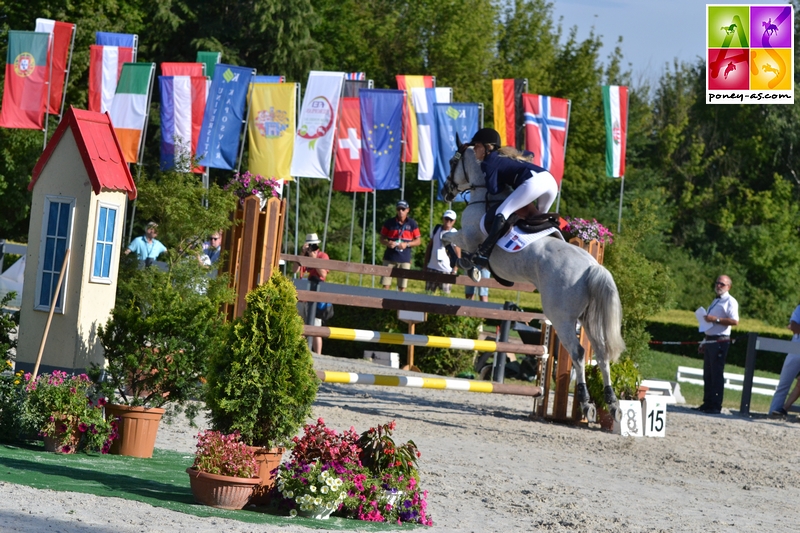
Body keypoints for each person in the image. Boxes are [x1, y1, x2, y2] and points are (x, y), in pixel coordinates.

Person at [460, 128, 559, 269]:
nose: (474, 149)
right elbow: (527, 156)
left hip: (533, 182)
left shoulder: (488, 162)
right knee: (539, 220)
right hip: (550, 181)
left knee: (501, 213)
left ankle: (483, 253)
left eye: (477, 146)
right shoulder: (504, 156)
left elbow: (494, 190)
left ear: (488, 148)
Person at [694, 275, 739, 414]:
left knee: (716, 372)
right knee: (707, 373)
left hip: (720, 340)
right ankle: (707, 402)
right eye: (717, 283)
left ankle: (715, 405)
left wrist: (716, 319)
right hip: (710, 338)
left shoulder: (730, 301)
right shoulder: (715, 300)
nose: (719, 286)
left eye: (722, 284)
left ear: (728, 287)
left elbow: (734, 321)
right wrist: (704, 341)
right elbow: (709, 324)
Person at [292, 233, 330, 355]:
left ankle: (318, 354)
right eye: (310, 246)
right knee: (300, 326)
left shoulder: (323, 256)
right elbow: (294, 270)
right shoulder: (305, 256)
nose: (311, 249)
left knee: (316, 327)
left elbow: (323, 274)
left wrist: (314, 260)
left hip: (316, 295)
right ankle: (301, 352)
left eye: (313, 246)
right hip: (303, 294)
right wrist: (302, 255)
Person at [379, 200, 421, 292]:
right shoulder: (389, 222)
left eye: (403, 209)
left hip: (404, 259)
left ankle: (399, 306)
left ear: (408, 210)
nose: (400, 211)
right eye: (399, 209)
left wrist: (407, 244)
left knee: (402, 287)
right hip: (389, 258)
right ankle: (385, 306)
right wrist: (387, 243)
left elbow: (418, 241)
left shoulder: (412, 223)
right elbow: (381, 239)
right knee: (385, 285)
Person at [768, 303, 800, 417]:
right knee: (783, 384)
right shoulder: (799, 308)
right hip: (796, 349)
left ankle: (783, 409)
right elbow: (794, 326)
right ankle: (774, 412)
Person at [423, 210, 459, 294]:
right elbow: (429, 247)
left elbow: (458, 252)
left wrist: (455, 269)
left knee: (444, 296)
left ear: (454, 221)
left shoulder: (454, 233)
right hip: (432, 267)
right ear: (443, 219)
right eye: (446, 219)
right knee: (428, 295)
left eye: (451, 220)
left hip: (447, 270)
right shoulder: (436, 229)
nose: (448, 221)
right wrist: (425, 265)